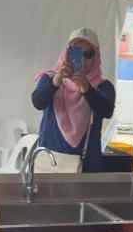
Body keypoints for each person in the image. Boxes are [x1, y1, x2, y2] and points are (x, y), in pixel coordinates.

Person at [31, 28, 115, 172]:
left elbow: (106, 111)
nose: (82, 59)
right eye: (75, 51)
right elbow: (38, 102)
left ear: (96, 56)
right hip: (50, 162)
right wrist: (56, 82)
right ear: (66, 53)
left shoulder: (103, 86)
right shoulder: (50, 78)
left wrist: (87, 89)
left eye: (88, 54)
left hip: (87, 165)